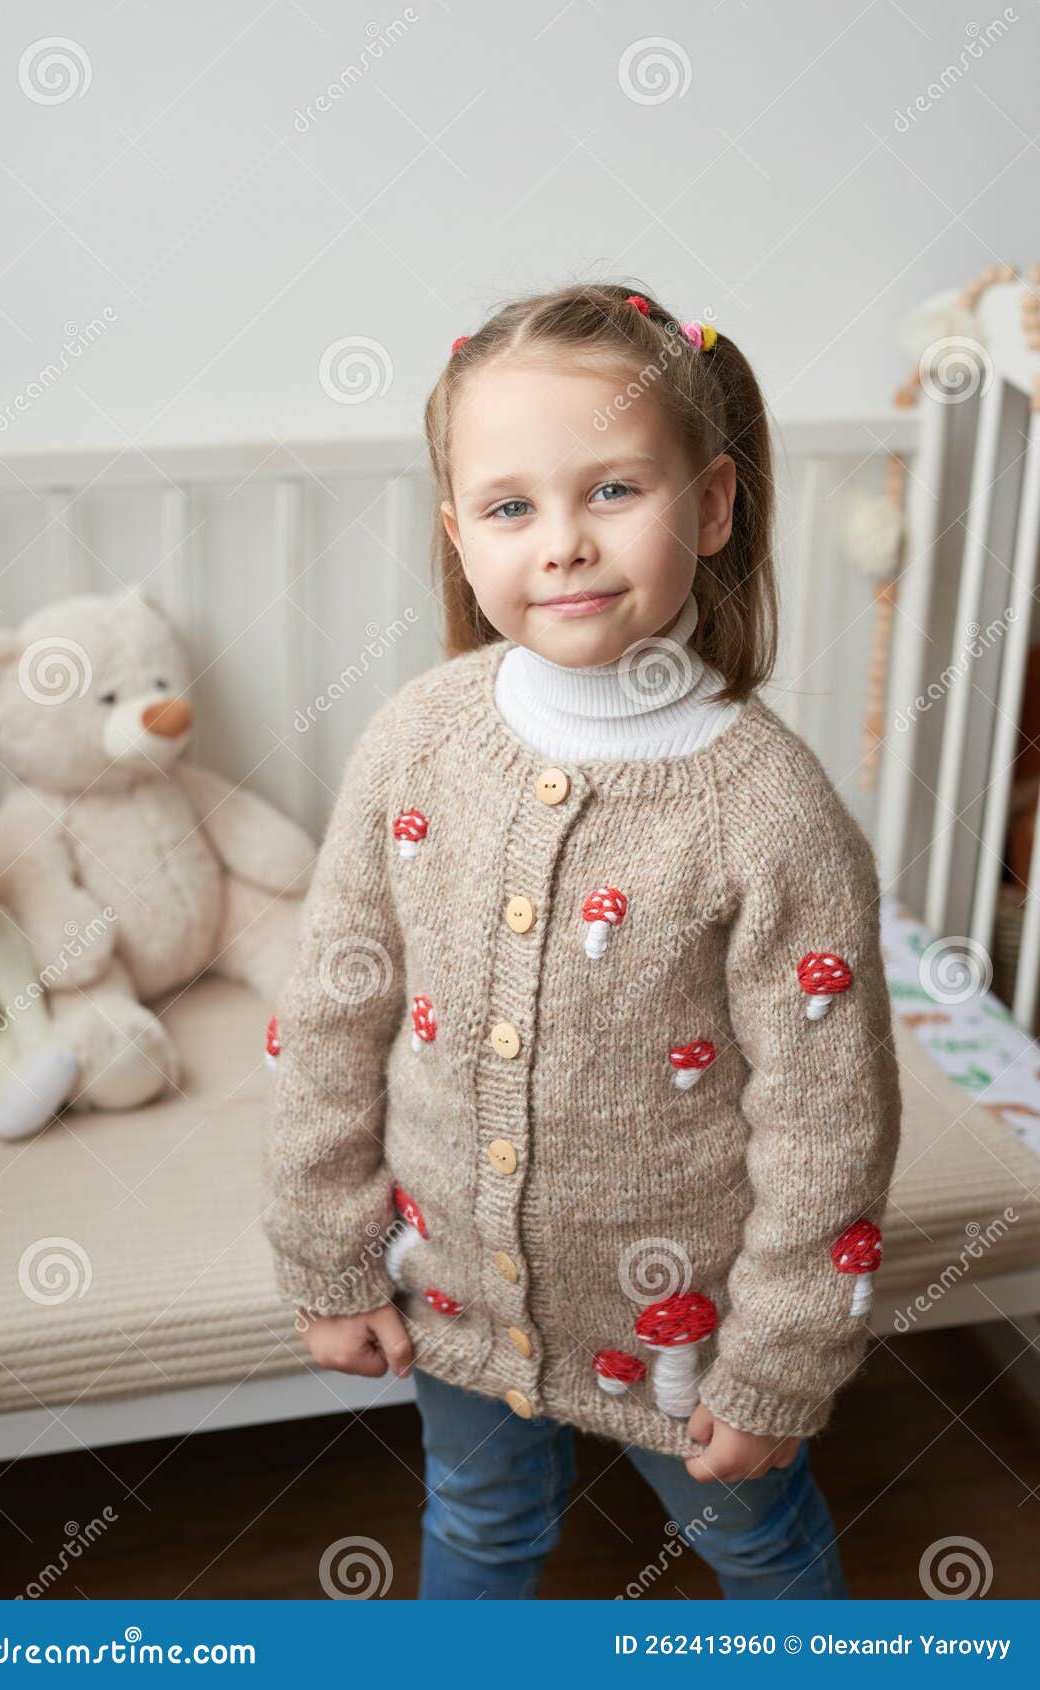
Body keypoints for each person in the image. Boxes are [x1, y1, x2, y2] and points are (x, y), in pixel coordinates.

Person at [262, 282, 902, 1600]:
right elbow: (331, 1008)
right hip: (457, 1292)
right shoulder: (417, 738)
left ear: (713, 505)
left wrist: (781, 1358)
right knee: (481, 1525)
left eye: (613, 490)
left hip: (698, 1332)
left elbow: (830, 1115)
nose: (560, 543)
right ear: (459, 535)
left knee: (760, 1544)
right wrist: (326, 1249)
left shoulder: (770, 809)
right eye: (510, 507)